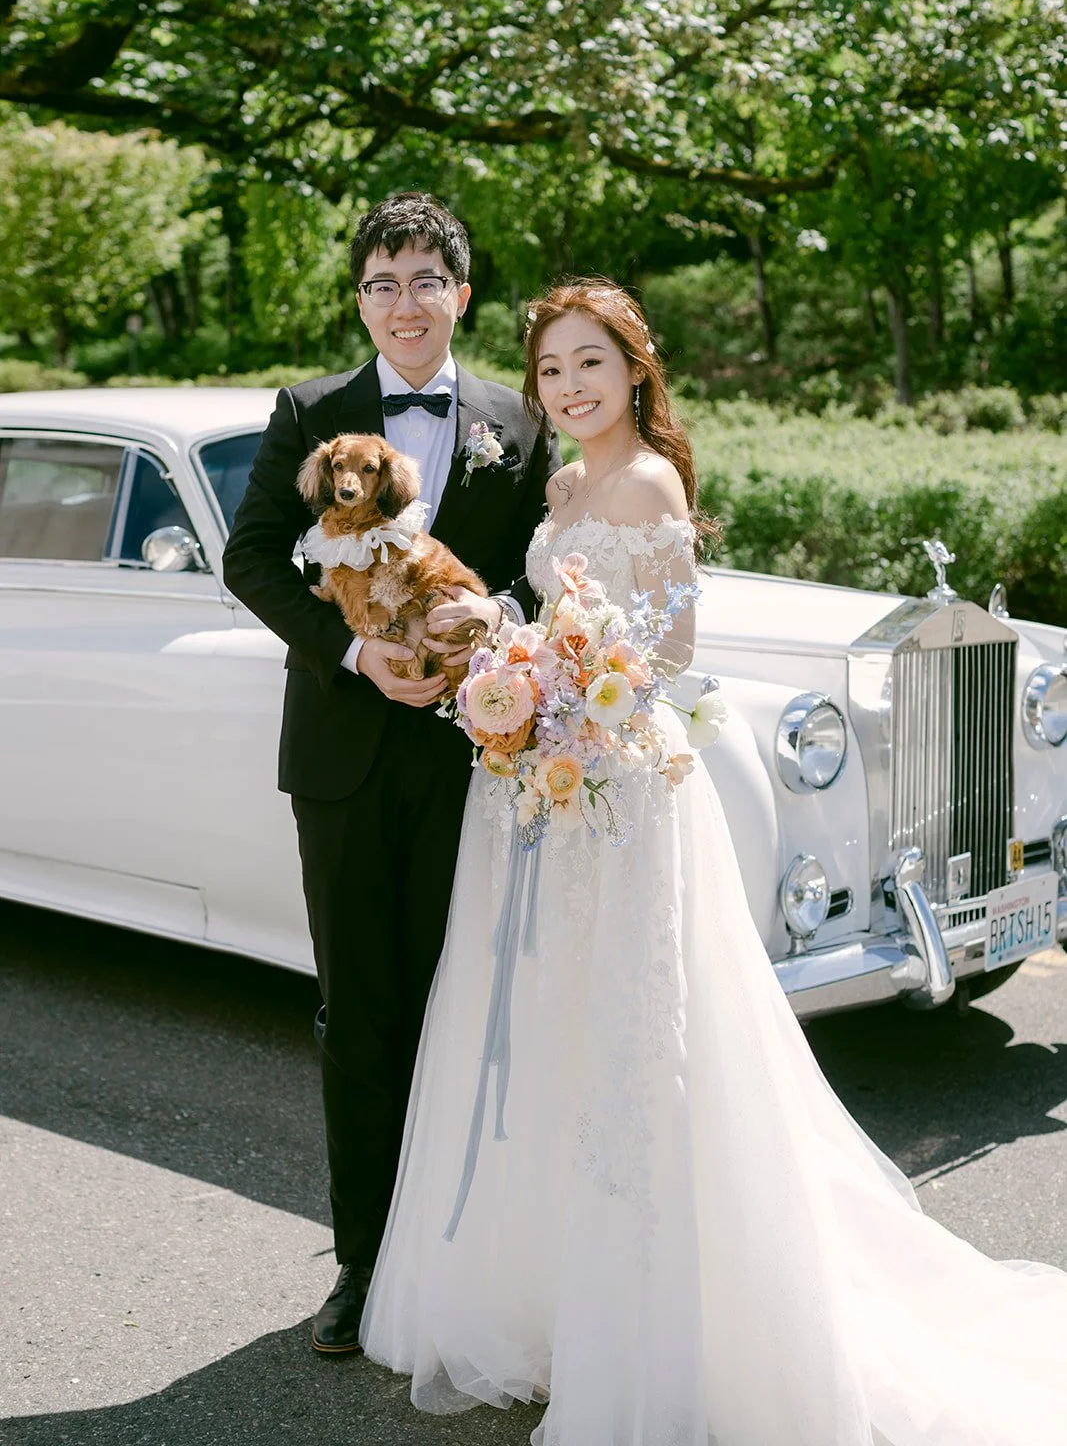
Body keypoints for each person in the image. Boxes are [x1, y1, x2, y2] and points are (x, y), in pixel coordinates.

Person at [359, 276, 1067, 1445]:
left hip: (623, 786)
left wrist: (562, 689)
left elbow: (674, 645)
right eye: (549, 370)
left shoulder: (648, 481)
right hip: (542, 781)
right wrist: (508, 663)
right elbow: (554, 618)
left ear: (634, 367)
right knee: (545, 1027)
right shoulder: (562, 478)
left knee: (634, 1041)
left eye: (589, 362)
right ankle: (543, 1299)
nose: (568, 385)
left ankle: (657, 1324)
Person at [222, 193, 559, 1354]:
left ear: (460, 295)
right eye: (380, 281)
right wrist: (353, 651)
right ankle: (362, 1268)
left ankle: (462, 1259)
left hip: (477, 756)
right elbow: (250, 556)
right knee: (358, 1016)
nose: (401, 301)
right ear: (360, 299)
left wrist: (486, 633)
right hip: (345, 762)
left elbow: (530, 577)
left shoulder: (517, 420)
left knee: (465, 1011)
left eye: (424, 279)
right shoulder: (309, 412)